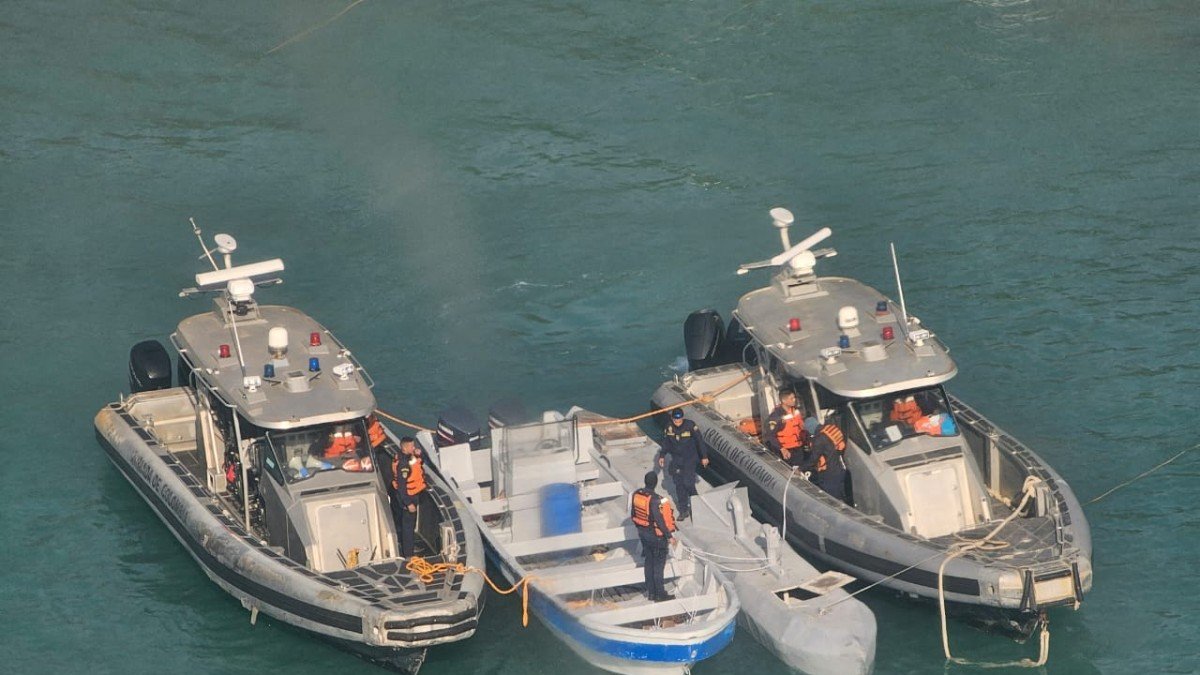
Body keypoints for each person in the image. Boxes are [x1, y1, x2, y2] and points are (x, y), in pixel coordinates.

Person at [630, 471, 677, 602]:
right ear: (655, 483)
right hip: (656, 538)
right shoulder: (655, 500)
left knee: (648, 563)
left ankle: (651, 593)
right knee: (658, 567)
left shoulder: (636, 494)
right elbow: (659, 520)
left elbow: (633, 514)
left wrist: (640, 529)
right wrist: (669, 536)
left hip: (643, 534)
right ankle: (660, 594)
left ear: (645, 481)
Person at [658, 409, 709, 519]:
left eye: (679, 419)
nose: (677, 421)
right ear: (672, 418)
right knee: (679, 485)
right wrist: (662, 455)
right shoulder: (669, 427)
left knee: (688, 483)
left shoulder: (690, 425)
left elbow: (699, 441)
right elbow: (666, 442)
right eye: (675, 419)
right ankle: (683, 510)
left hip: (690, 458)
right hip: (676, 459)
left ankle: (697, 505)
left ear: (682, 417)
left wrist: (704, 456)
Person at [391, 436, 427, 558]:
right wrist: (408, 504)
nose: (414, 447)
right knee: (408, 527)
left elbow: (419, 464)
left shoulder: (409, 457)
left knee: (409, 526)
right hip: (408, 498)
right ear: (405, 448)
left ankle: (409, 548)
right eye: (412, 446)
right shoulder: (404, 465)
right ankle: (409, 554)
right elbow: (401, 487)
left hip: (413, 495)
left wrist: (419, 455)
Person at [802, 420, 849, 503]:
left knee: (833, 499)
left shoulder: (819, 439)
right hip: (841, 468)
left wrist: (801, 468)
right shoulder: (831, 430)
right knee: (841, 495)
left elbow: (814, 459)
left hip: (829, 474)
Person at [766, 390, 809, 466]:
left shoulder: (795, 411)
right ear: (784, 401)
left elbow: (802, 426)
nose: (794, 400)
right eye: (791, 398)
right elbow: (770, 436)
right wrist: (782, 449)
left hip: (798, 447)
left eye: (794, 398)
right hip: (787, 450)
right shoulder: (776, 416)